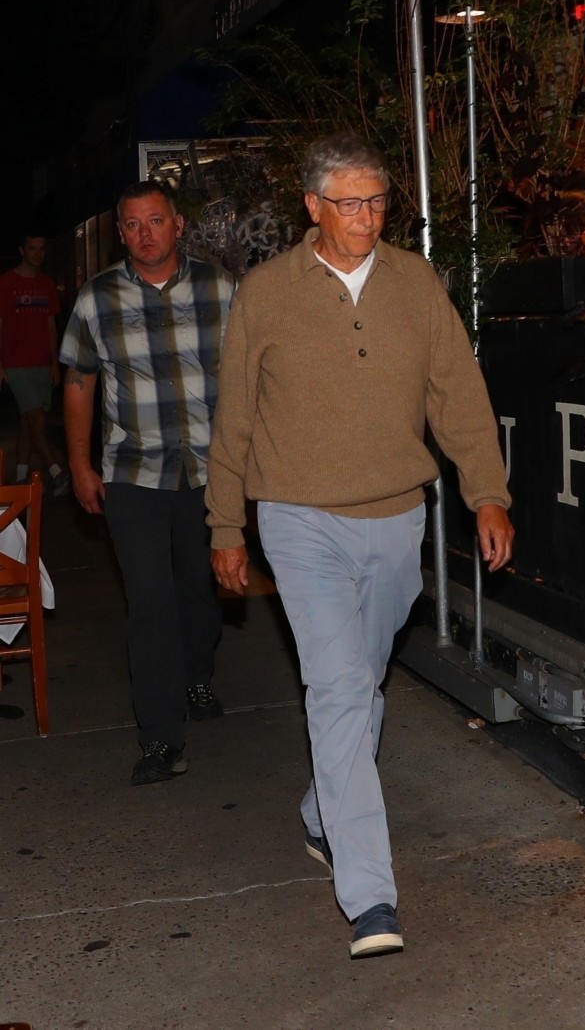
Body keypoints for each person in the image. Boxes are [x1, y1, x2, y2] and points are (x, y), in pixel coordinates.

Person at [206, 133, 514, 958]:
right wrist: (226, 524)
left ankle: (320, 812)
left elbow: (459, 396)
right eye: (347, 202)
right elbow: (234, 416)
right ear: (311, 207)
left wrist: (488, 493)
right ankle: (371, 897)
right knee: (339, 688)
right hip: (298, 519)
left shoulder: (416, 283)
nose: (364, 217)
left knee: (364, 681)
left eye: (376, 201)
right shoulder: (267, 293)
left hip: (396, 516)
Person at [59, 181, 236, 785]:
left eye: (155, 221)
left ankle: (196, 676)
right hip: (133, 473)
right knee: (150, 603)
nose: (145, 234)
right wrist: (81, 465)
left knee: (200, 590)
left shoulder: (220, 287)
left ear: (178, 224)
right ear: (121, 232)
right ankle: (161, 738)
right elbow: (79, 381)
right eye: (133, 225)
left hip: (211, 473)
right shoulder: (97, 298)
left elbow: (253, 376)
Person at [0, 232, 70, 494]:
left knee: (27, 422)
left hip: (41, 362)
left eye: (41, 248)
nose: (37, 254)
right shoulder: (5, 283)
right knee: (37, 420)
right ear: (22, 250)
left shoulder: (46, 284)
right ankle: (57, 472)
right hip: (16, 363)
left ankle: (19, 479)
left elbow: (51, 325)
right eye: (32, 248)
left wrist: (54, 363)